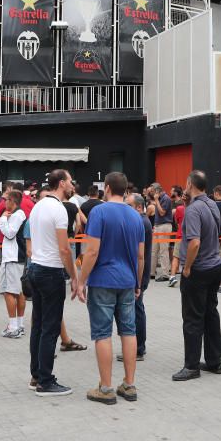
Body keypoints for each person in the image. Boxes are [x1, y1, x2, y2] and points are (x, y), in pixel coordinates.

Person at [77, 172, 145, 404]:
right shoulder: (136, 216)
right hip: (127, 280)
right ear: (126, 190)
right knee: (129, 331)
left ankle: (105, 388)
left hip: (103, 280)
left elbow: (92, 251)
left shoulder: (99, 212)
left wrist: (80, 280)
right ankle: (129, 384)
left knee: (102, 333)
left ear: (106, 188)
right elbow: (140, 255)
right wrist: (137, 282)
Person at [27, 169, 80, 397]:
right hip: (50, 271)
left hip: (35, 268)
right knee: (50, 327)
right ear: (61, 183)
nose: (72, 184)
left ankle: (36, 375)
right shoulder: (58, 209)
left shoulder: (38, 206)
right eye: (70, 181)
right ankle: (46, 381)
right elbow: (64, 248)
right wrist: (75, 277)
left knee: (38, 325)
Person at [172, 170, 221, 382]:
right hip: (215, 265)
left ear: (189, 184)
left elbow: (194, 242)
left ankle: (191, 365)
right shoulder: (211, 204)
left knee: (193, 317)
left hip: (199, 268)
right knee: (210, 313)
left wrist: (186, 268)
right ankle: (214, 361)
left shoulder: (194, 210)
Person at [117, 193, 152, 363]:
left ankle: (138, 348)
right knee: (135, 309)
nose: (126, 209)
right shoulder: (140, 221)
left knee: (136, 310)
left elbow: (140, 255)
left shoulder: (142, 222)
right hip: (137, 273)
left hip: (139, 274)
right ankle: (136, 347)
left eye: (129, 205)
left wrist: (138, 281)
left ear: (139, 207)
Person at [0, 190, 28, 338]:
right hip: (16, 257)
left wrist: (3, 219)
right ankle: (19, 324)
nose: (4, 203)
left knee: (9, 292)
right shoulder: (19, 214)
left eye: (6, 200)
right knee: (19, 292)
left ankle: (13, 327)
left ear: (12, 201)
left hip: (12, 257)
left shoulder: (16, 215)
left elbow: (9, 234)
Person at [150, 183, 174, 281]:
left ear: (157, 191)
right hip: (157, 226)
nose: (151, 193)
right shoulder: (160, 199)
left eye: (152, 191)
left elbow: (162, 212)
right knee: (154, 250)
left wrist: (156, 201)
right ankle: (151, 272)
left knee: (164, 250)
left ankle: (165, 274)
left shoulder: (166, 199)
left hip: (164, 225)